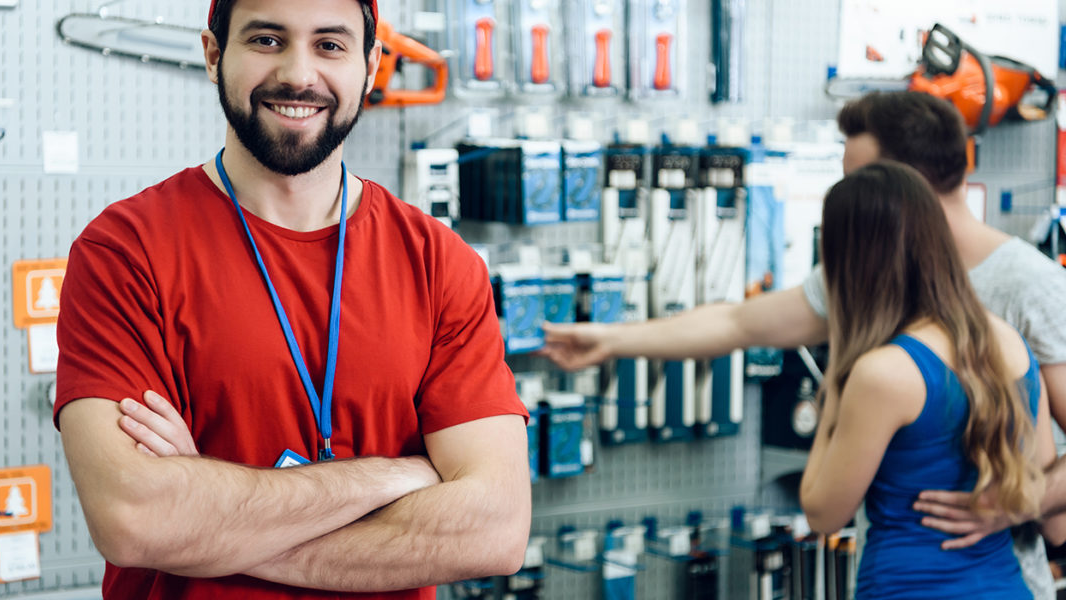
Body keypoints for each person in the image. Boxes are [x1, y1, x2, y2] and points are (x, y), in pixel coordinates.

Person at [53, 0, 531, 598]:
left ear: (371, 65)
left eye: (330, 45)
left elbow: (495, 530)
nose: (299, 75)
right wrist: (395, 476)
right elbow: (135, 520)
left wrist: (206, 513)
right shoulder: (125, 253)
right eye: (267, 40)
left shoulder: (441, 264)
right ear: (213, 55)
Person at [540, 91, 1066, 597]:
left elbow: (822, 509)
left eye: (856, 182)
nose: (848, 201)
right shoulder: (874, 284)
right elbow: (739, 324)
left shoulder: (1032, 289)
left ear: (899, 188)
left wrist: (1015, 505)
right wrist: (612, 338)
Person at [798, 160, 1057, 598]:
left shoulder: (882, 372)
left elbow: (824, 513)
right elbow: (1038, 476)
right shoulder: (1010, 344)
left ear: (849, 260)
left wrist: (838, 379)